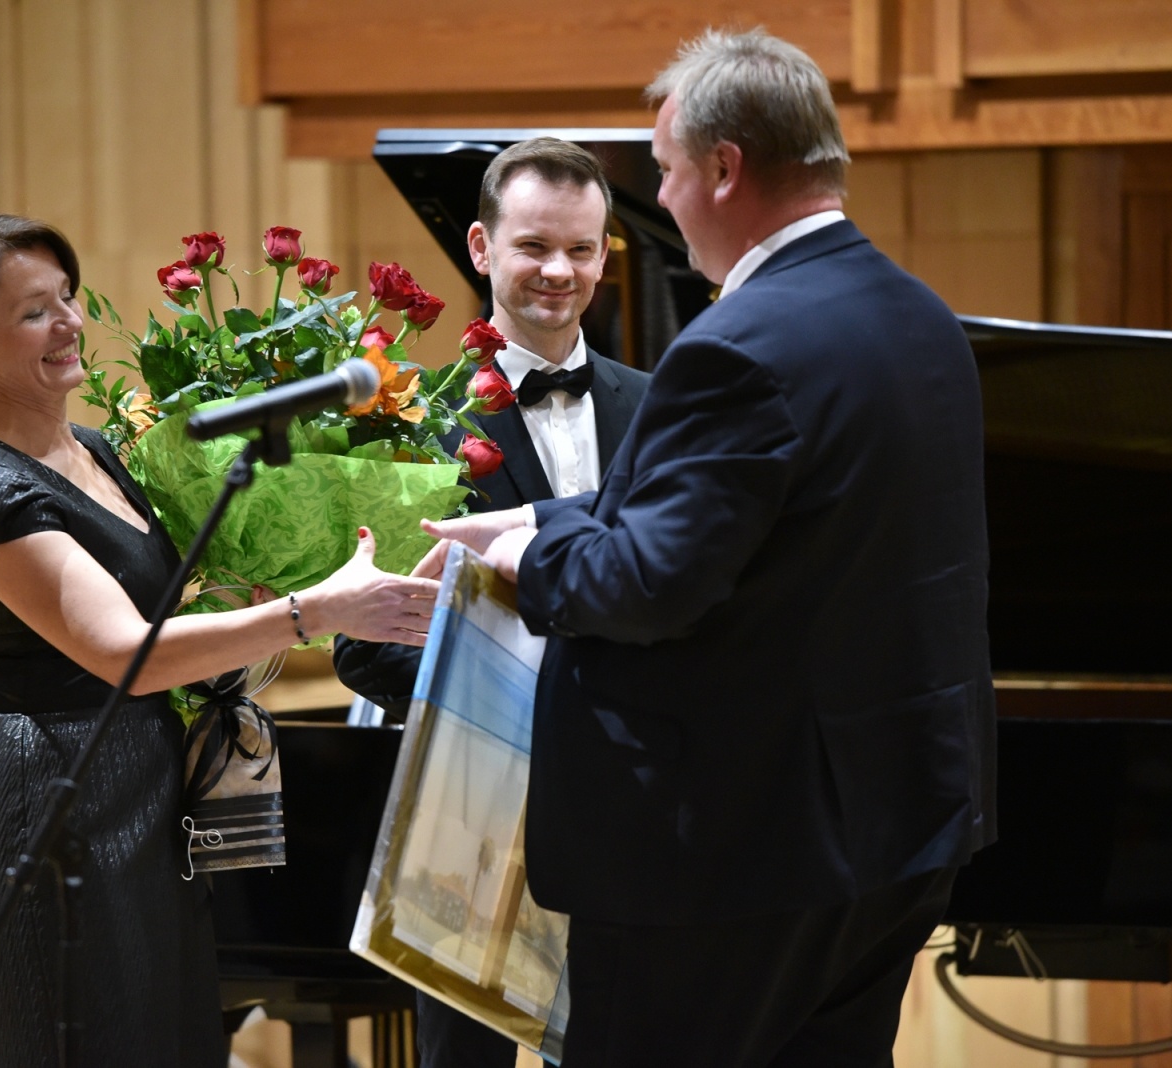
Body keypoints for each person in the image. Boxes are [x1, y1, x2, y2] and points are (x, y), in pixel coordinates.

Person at [417, 29, 996, 1067]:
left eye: (669, 172)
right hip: (893, 824)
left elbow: (647, 588)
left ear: (725, 169)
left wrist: (521, 561)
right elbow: (780, 531)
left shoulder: (738, 343)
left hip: (734, 853)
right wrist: (546, 517)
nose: (666, 201)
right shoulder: (918, 316)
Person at [0, 214, 437, 1068]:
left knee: (176, 1037)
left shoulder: (95, 450)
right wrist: (313, 611)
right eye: (35, 312)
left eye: (68, 298)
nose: (71, 323)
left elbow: (166, 613)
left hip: (151, 780)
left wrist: (254, 580)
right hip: (60, 791)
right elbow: (128, 655)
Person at [334, 138, 649, 1067]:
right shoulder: (411, 422)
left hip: (630, 813)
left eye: (583, 249)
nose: (560, 271)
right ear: (480, 247)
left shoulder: (665, 408)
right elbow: (363, 642)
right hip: (470, 813)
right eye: (534, 246)